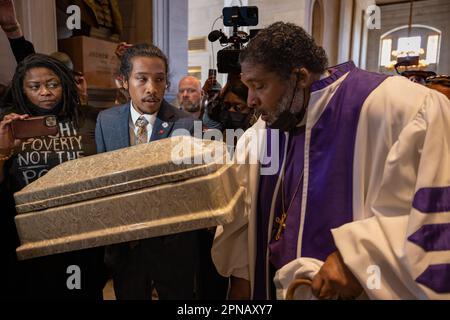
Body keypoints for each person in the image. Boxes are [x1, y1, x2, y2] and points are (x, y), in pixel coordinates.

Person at [211, 22, 450, 300]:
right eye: (248, 87)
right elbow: (245, 221)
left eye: (259, 86)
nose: (250, 100)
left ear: (299, 77)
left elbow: (435, 215)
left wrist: (361, 256)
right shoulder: (262, 133)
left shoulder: (398, 108)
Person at [95, 43, 199, 300]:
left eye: (159, 79)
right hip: (126, 247)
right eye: (141, 79)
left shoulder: (186, 123)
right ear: (124, 81)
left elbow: (187, 188)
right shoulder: (106, 121)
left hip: (172, 246)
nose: (151, 88)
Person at [0, 53, 106, 299]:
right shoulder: (9, 124)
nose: (45, 92)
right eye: (34, 86)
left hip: (83, 232)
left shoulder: (89, 118)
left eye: (52, 84)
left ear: (65, 84)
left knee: (85, 290)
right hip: (29, 234)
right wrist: (4, 150)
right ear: (22, 89)